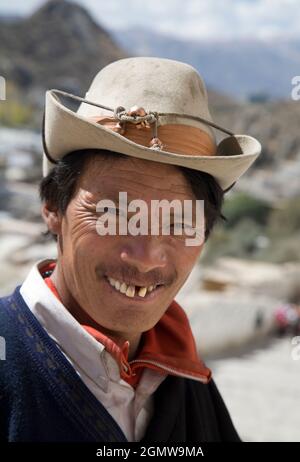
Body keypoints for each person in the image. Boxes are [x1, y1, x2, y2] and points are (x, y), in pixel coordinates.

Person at [0, 57, 261, 442]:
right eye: (114, 214)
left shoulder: (185, 379)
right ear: (53, 208)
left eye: (178, 224)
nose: (145, 257)